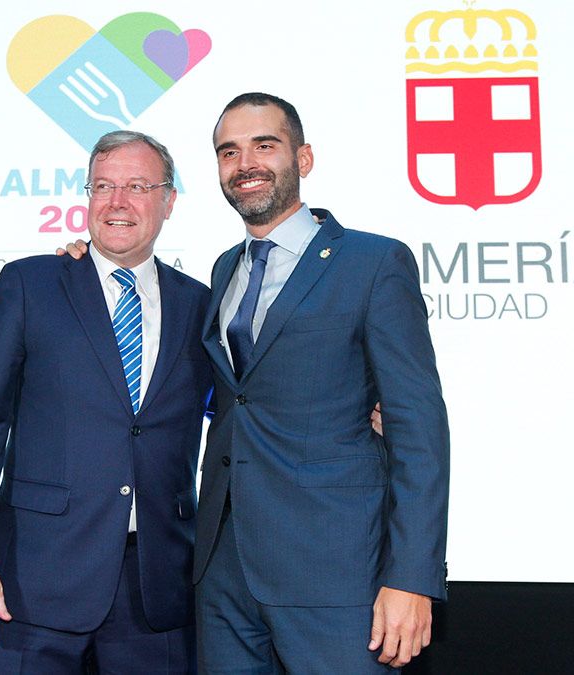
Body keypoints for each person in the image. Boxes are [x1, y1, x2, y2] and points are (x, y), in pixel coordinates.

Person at [192, 93, 450, 673]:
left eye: (265, 145)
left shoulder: (374, 262)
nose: (245, 163)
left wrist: (412, 577)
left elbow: (418, 427)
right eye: (228, 151)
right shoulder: (223, 268)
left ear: (303, 159)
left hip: (337, 573)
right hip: (224, 572)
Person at [0, 130, 211, 673]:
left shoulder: (199, 304)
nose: (117, 202)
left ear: (168, 201)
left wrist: (359, 408)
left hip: (155, 589)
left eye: (137, 186)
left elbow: (241, 407)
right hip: (30, 584)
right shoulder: (30, 283)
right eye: (103, 186)